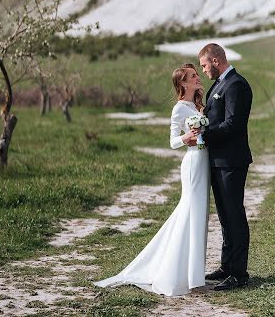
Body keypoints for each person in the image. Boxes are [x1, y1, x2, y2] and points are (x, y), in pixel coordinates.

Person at [95, 64, 210, 297]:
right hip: (193, 162)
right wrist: (186, 137)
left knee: (199, 215)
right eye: (192, 76)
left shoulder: (198, 105)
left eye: (197, 74)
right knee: (189, 212)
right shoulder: (179, 109)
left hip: (205, 161)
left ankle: (193, 273)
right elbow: (173, 142)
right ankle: (176, 273)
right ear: (182, 84)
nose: (198, 77)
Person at [199, 43, 253, 291]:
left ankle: (239, 273)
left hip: (231, 161)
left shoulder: (236, 85)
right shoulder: (220, 84)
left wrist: (204, 134)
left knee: (234, 215)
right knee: (224, 216)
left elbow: (233, 124)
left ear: (216, 60)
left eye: (204, 65)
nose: (204, 70)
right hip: (218, 161)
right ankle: (227, 265)